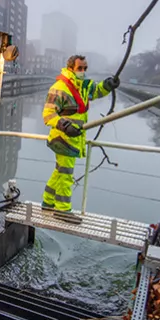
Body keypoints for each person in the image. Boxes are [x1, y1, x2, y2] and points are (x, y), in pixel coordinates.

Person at [42, 55, 119, 222]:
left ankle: (48, 202)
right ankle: (62, 210)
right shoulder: (59, 88)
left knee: (60, 171)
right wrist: (64, 125)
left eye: (85, 68)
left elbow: (97, 91)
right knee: (66, 174)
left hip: (73, 138)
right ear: (70, 68)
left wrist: (108, 85)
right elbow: (48, 115)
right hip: (62, 138)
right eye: (80, 68)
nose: (83, 72)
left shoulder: (83, 86)